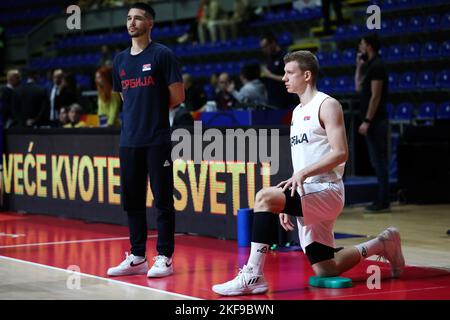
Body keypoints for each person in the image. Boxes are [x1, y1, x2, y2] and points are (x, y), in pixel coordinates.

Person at [212, 50, 404, 296]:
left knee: (263, 196)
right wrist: (287, 199)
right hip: (307, 192)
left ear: (307, 75)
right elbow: (306, 158)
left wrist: (295, 182)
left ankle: (253, 276)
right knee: (326, 269)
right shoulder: (296, 112)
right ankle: (382, 243)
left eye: (289, 73)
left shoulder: (327, 104)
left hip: (327, 190)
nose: (283, 78)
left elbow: (340, 153)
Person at [107, 2, 185, 278]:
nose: (132, 23)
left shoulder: (162, 54)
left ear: (150, 23)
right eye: (129, 18)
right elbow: (124, 97)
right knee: (132, 200)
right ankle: (138, 256)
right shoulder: (119, 60)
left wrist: (153, 111)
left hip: (157, 139)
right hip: (129, 140)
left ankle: (164, 256)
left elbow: (178, 96)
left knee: (162, 199)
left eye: (138, 18)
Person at [354, 33, 390, 213]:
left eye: (362, 43)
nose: (360, 47)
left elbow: (376, 97)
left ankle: (383, 200)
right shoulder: (368, 65)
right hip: (371, 121)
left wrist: (367, 120)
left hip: (376, 121)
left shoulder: (377, 66)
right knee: (376, 161)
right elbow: (358, 87)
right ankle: (382, 199)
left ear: (368, 46)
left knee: (379, 161)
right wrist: (358, 67)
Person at [260, 33, 296, 109]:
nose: (264, 50)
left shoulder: (285, 56)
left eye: (265, 46)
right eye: (262, 47)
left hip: (285, 100)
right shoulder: (270, 58)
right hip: (272, 99)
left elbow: (290, 78)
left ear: (273, 43)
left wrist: (270, 75)